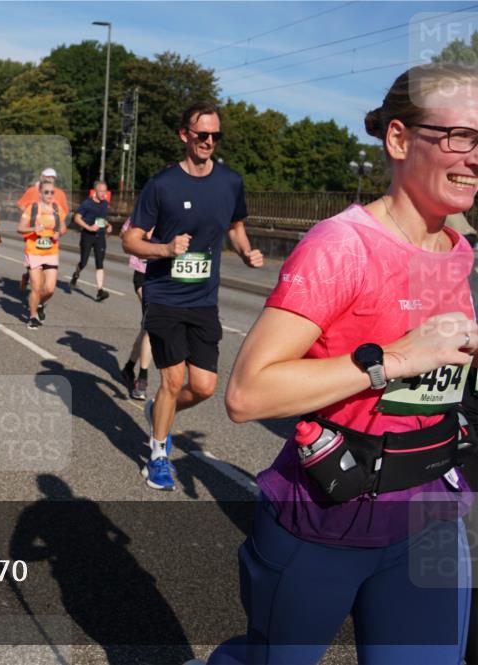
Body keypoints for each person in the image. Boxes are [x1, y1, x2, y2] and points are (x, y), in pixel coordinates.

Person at [203, 64, 478, 665]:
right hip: (324, 523)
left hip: (428, 517)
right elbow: (247, 394)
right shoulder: (342, 246)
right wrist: (400, 357)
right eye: (461, 136)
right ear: (400, 139)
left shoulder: (461, 252)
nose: (475, 157)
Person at [122, 101, 263, 491]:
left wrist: (246, 250)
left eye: (216, 136)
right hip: (164, 295)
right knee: (172, 380)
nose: (210, 142)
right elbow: (130, 239)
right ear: (185, 135)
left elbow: (235, 226)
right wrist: (166, 250)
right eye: (203, 135)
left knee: (203, 387)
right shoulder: (162, 184)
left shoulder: (230, 182)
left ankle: (158, 412)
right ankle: (158, 456)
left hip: (204, 300)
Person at [17, 179, 67, 329]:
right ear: (40, 194)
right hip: (34, 251)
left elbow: (63, 227)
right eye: (46, 192)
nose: (50, 195)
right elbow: (20, 228)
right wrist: (33, 229)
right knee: (37, 287)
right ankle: (32, 317)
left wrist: (59, 233)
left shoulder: (57, 209)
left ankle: (39, 304)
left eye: (52, 192)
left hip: (51, 251)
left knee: (50, 289)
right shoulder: (32, 209)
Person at [17, 168, 70, 292]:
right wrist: (30, 216)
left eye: (52, 177)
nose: (50, 179)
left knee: (46, 267)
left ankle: (34, 284)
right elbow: (20, 204)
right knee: (36, 264)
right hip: (33, 233)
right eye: (47, 177)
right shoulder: (32, 191)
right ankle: (29, 277)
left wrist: (58, 228)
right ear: (42, 177)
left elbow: (65, 212)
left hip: (51, 234)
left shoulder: (60, 193)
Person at [120, 217, 152, 400]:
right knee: (151, 324)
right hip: (143, 274)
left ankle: (128, 368)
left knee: (146, 327)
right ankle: (142, 378)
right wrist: (142, 236)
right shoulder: (143, 214)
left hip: (164, 277)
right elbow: (123, 234)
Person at [70, 180, 112, 302]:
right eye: (101, 191)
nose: (104, 194)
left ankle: (100, 291)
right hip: (87, 236)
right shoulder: (87, 203)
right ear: (95, 191)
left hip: (100, 237)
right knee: (83, 262)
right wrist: (88, 227)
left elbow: (101, 219)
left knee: (100, 263)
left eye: (105, 191)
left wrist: (108, 225)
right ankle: (76, 274)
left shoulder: (104, 204)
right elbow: (76, 218)